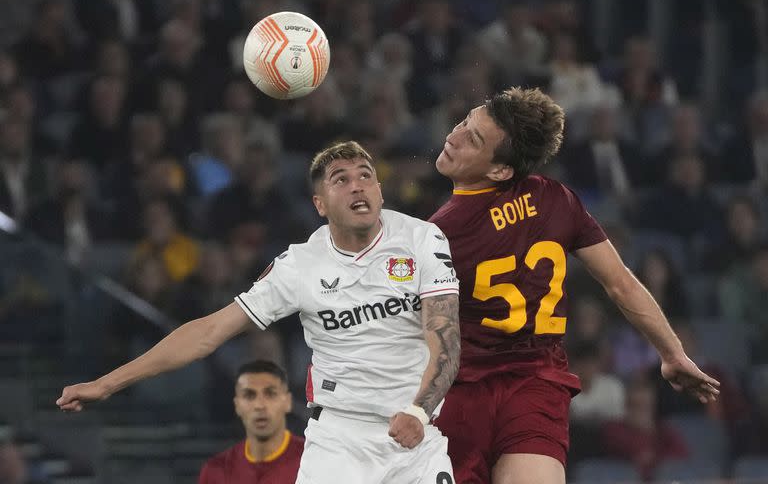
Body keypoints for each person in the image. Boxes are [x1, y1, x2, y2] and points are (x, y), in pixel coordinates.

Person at [57, 141, 460, 484]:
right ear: (320, 204)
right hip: (340, 445)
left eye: (365, 175)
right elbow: (207, 332)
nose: (358, 187)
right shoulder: (300, 266)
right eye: (342, 179)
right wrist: (108, 384)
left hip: (416, 435)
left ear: (380, 190)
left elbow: (444, 341)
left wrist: (418, 410)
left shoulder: (421, 239)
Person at [429, 87, 720, 484]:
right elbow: (620, 283)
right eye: (465, 122)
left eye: (473, 138)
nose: (454, 136)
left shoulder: (439, 234)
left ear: (500, 171)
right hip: (536, 386)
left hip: (464, 392)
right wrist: (672, 353)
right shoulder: (557, 199)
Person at [199, 360, 304, 484]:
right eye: (249, 395)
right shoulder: (215, 471)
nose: (259, 405)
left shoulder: (313, 460)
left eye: (270, 394)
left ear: (287, 402)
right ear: (237, 405)